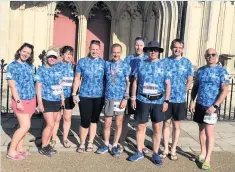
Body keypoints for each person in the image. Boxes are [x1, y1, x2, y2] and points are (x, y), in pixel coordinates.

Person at [128, 41, 170, 166]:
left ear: (158, 52)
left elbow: (168, 84)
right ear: (147, 51)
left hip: (158, 101)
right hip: (143, 100)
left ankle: (155, 153)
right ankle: (139, 151)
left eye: (155, 50)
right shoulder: (141, 64)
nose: (153, 52)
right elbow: (135, 82)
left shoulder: (164, 65)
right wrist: (133, 98)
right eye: (151, 50)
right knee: (141, 126)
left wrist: (166, 100)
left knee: (157, 128)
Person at [189, 48, 229, 170]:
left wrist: (215, 105)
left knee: (209, 133)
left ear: (216, 56)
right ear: (205, 56)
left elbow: (225, 90)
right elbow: (195, 87)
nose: (210, 57)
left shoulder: (221, 71)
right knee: (201, 130)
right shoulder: (200, 71)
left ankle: (208, 159)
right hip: (200, 105)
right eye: (208, 55)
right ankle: (202, 153)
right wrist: (192, 101)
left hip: (211, 107)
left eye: (213, 55)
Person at [161, 39, 194, 160]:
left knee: (176, 125)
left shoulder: (187, 63)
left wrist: (185, 90)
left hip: (179, 99)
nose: (177, 49)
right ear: (171, 48)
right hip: (166, 99)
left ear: (182, 49)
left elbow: (190, 79)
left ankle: (173, 148)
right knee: (166, 124)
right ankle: (165, 148)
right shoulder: (164, 61)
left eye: (180, 47)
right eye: (175, 47)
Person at [96, 44, 130, 156]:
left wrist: (126, 98)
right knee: (107, 123)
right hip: (109, 97)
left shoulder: (125, 65)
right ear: (111, 52)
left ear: (121, 53)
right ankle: (106, 144)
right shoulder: (107, 64)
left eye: (118, 52)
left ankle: (114, 145)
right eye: (114, 52)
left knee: (119, 123)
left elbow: (128, 83)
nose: (116, 54)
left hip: (120, 98)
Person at [72, 40, 105, 153]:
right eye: (93, 49)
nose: (94, 51)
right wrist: (74, 93)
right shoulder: (82, 62)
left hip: (99, 96)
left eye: (97, 49)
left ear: (99, 50)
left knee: (94, 120)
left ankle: (90, 142)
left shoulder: (103, 63)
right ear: (89, 49)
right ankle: (82, 143)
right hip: (85, 95)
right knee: (85, 120)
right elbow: (77, 78)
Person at [6, 43, 36, 160]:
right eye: (24, 51)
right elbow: (12, 86)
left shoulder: (29, 66)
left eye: (28, 53)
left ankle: (19, 147)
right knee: (25, 125)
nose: (26, 54)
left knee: (24, 126)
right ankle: (11, 151)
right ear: (19, 51)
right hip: (20, 100)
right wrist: (18, 101)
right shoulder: (12, 66)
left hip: (31, 99)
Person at [119, 37, 149, 153]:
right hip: (129, 88)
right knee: (125, 117)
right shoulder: (128, 58)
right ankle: (121, 142)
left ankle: (141, 145)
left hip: (141, 91)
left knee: (141, 121)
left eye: (141, 45)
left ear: (144, 47)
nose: (138, 47)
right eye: (136, 45)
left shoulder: (147, 59)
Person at [35, 49, 64, 156]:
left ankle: (46, 145)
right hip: (46, 100)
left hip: (56, 100)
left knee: (53, 124)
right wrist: (40, 103)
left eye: (54, 57)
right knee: (50, 124)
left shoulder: (58, 69)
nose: (52, 59)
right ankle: (43, 146)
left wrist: (62, 98)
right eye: (50, 57)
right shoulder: (41, 70)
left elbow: (60, 85)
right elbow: (38, 87)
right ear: (46, 58)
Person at [51, 46, 75, 148]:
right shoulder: (57, 66)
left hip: (69, 95)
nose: (69, 56)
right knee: (56, 118)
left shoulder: (74, 66)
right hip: (58, 95)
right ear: (62, 55)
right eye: (67, 53)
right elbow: (55, 81)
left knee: (67, 118)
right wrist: (60, 96)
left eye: (70, 54)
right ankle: (53, 138)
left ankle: (65, 139)